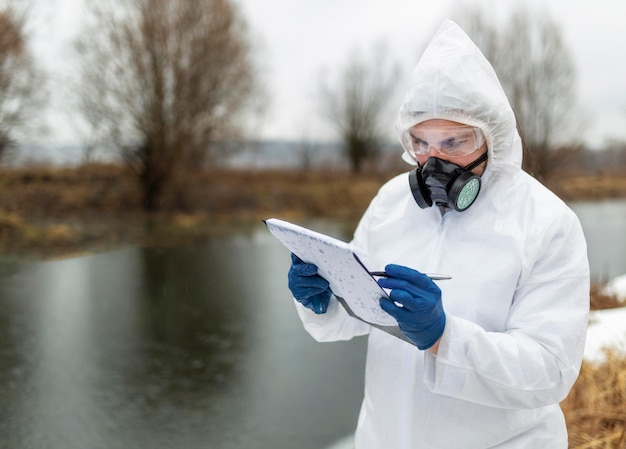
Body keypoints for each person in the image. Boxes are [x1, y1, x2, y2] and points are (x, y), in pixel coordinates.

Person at [286, 20, 589, 448]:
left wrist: (446, 337)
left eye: (453, 142)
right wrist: (324, 298)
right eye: (421, 143)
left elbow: (551, 372)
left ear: (491, 138)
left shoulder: (546, 222)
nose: (433, 161)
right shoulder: (392, 202)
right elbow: (354, 314)